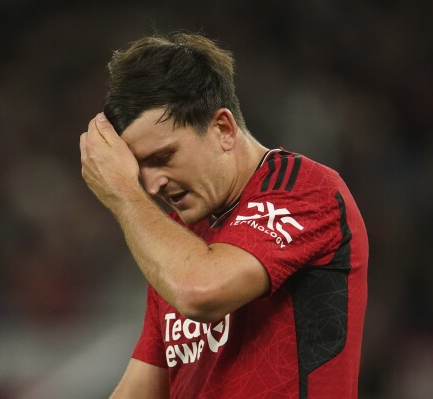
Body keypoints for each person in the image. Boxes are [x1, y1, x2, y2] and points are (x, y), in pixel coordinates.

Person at [79, 32, 368, 399]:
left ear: (223, 129)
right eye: (139, 169)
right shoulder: (178, 239)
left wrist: (122, 191)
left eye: (163, 158)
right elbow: (141, 389)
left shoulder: (305, 190)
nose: (150, 186)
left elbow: (200, 292)